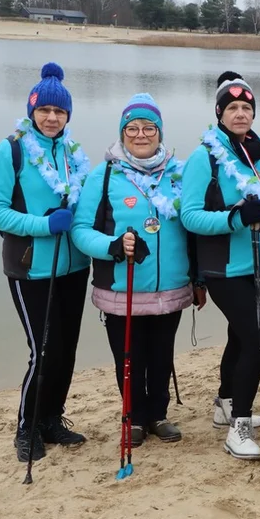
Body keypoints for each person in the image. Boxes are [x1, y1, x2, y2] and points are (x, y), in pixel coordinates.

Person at [72, 94, 203, 446]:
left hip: (171, 286)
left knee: (161, 356)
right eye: (132, 128)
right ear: (122, 132)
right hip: (122, 287)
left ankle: (158, 415)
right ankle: (133, 417)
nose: (141, 134)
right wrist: (112, 245)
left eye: (149, 128)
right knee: (129, 357)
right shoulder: (104, 175)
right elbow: (81, 230)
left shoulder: (179, 171)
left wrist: (198, 278)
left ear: (160, 133)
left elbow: (192, 225)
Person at [0, 62, 92, 461]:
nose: (51, 118)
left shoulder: (73, 153)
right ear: (32, 111)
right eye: (44, 110)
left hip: (74, 267)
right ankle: (26, 428)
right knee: (43, 350)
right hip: (31, 267)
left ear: (67, 116)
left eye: (59, 112)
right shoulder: (10, 149)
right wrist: (43, 224)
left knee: (67, 350)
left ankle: (51, 419)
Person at [181, 71, 260, 460]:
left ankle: (225, 403)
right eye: (233, 107)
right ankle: (237, 428)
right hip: (226, 269)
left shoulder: (257, 154)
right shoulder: (204, 157)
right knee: (258, 340)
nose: (241, 113)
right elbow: (190, 216)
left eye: (247, 107)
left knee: (241, 337)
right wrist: (234, 218)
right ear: (219, 112)